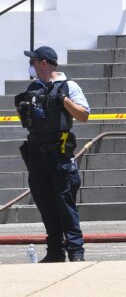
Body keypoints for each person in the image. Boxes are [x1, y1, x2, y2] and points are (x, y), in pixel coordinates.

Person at [14, 46, 90, 262]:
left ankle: (76, 252)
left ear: (44, 63)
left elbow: (84, 115)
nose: (31, 66)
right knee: (46, 207)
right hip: (37, 157)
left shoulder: (68, 86)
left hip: (59, 157)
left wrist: (63, 100)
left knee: (65, 206)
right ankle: (55, 251)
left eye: (33, 62)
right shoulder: (33, 88)